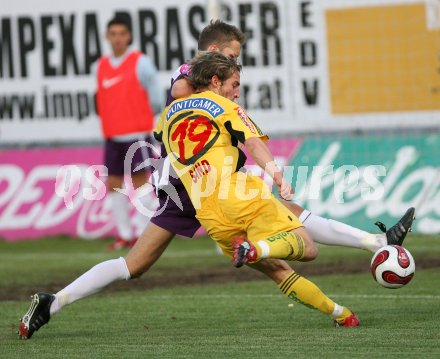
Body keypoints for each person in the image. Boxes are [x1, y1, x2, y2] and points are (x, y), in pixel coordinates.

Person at [18, 20, 415, 339]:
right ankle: (368, 248)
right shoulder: (191, 78)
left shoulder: (205, 83)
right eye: (231, 55)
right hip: (191, 184)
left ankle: (52, 302)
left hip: (185, 181)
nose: (234, 63)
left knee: (135, 264)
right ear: (215, 53)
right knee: (289, 226)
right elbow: (181, 97)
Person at [96, 16, 162, 250]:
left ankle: (146, 235)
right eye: (113, 34)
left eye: (122, 34)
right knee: (113, 183)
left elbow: (156, 98)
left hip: (137, 135)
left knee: (140, 183)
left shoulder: (140, 62)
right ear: (107, 36)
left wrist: (142, 118)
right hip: (112, 136)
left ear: (129, 36)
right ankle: (124, 234)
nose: (117, 38)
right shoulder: (101, 66)